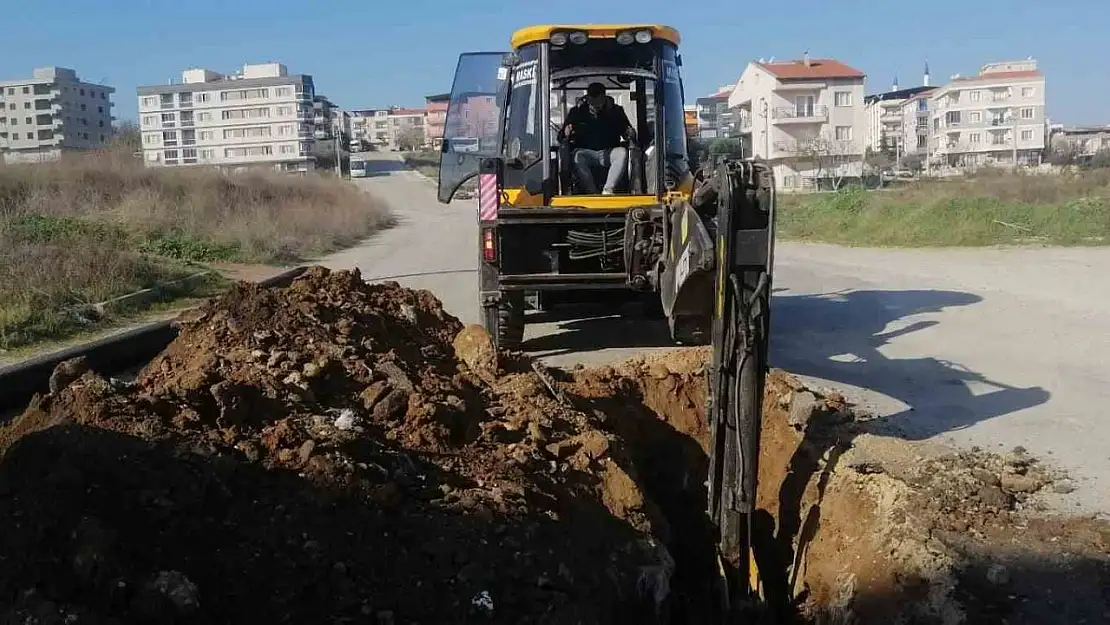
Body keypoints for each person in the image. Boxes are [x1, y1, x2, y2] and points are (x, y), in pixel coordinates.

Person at [559, 82, 637, 194]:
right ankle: (592, 192)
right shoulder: (576, 112)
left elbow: (626, 132)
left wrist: (630, 133)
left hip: (609, 151)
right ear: (588, 99)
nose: (596, 107)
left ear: (604, 98)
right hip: (586, 152)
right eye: (592, 103)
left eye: (599, 103)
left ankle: (608, 189)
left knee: (622, 152)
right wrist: (565, 133)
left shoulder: (616, 111)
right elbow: (561, 137)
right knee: (577, 155)